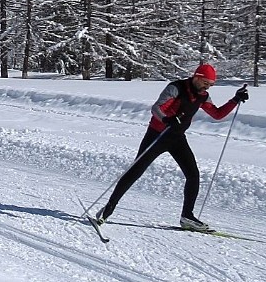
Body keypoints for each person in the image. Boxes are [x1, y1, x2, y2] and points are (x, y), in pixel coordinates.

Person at [95, 64, 248, 231]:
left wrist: (235, 100)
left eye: (210, 84)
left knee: (193, 174)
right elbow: (156, 109)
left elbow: (217, 114)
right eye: (205, 82)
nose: (207, 87)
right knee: (135, 171)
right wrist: (167, 119)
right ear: (196, 77)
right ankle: (107, 210)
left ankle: (187, 217)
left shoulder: (203, 96)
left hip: (177, 138)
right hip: (157, 135)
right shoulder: (176, 88)